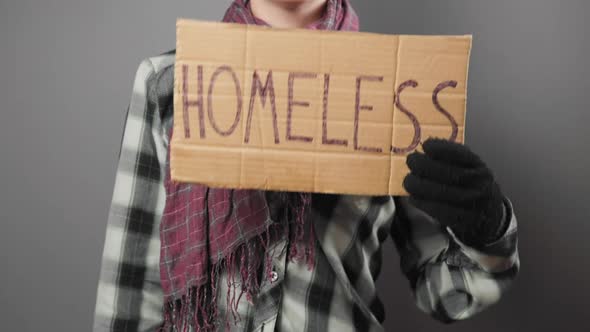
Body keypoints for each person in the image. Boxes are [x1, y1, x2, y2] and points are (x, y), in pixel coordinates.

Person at [92, 1, 520, 331]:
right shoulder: (170, 84)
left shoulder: (400, 90)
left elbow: (447, 294)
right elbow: (129, 300)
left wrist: (487, 229)